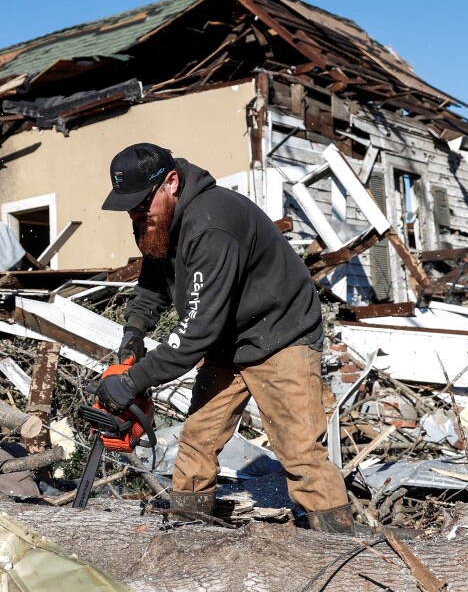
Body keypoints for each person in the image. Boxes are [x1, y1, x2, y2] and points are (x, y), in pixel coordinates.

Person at [96, 142, 353, 534]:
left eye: (142, 204)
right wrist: (133, 334)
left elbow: (198, 330)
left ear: (171, 182)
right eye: (130, 207)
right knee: (197, 442)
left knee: (300, 451)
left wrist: (132, 383)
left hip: (280, 334)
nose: (137, 214)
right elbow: (152, 282)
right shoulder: (158, 221)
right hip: (228, 340)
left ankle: (341, 545)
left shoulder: (212, 224)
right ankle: (189, 536)